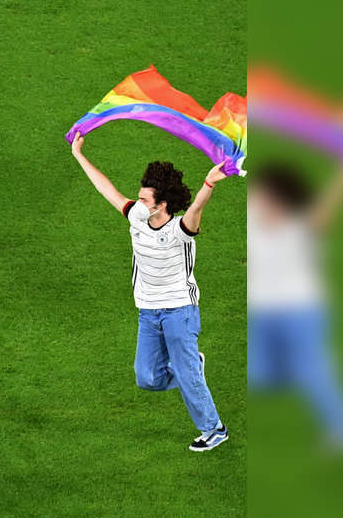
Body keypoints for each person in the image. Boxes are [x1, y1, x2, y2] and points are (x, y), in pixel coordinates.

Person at [71, 131, 229, 451]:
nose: (139, 203)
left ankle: (214, 429)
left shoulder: (181, 230)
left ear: (163, 204)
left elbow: (197, 207)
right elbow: (107, 189)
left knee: (185, 375)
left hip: (179, 311)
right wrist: (79, 155)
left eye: (145, 199)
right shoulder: (138, 216)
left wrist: (209, 183)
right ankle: (191, 368)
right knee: (147, 378)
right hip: (147, 310)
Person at [248, 163, 343, 450]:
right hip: (262, 313)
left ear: (279, 199)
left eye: (262, 195)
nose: (257, 199)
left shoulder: (300, 227)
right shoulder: (251, 218)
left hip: (301, 310)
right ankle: (301, 366)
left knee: (312, 370)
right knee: (261, 375)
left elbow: (325, 212)